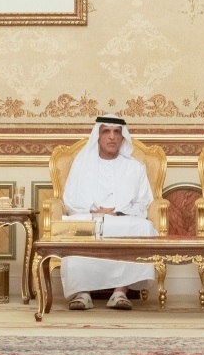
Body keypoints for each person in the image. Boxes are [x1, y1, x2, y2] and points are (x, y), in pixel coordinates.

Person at [61, 115, 157, 311]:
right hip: (89, 215)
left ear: (123, 137)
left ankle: (120, 292)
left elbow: (143, 202)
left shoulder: (135, 167)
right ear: (98, 135)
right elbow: (69, 199)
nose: (112, 137)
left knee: (143, 227)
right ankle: (83, 293)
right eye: (106, 131)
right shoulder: (81, 164)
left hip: (123, 218)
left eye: (117, 132)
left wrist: (119, 213)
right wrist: (94, 210)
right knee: (75, 228)